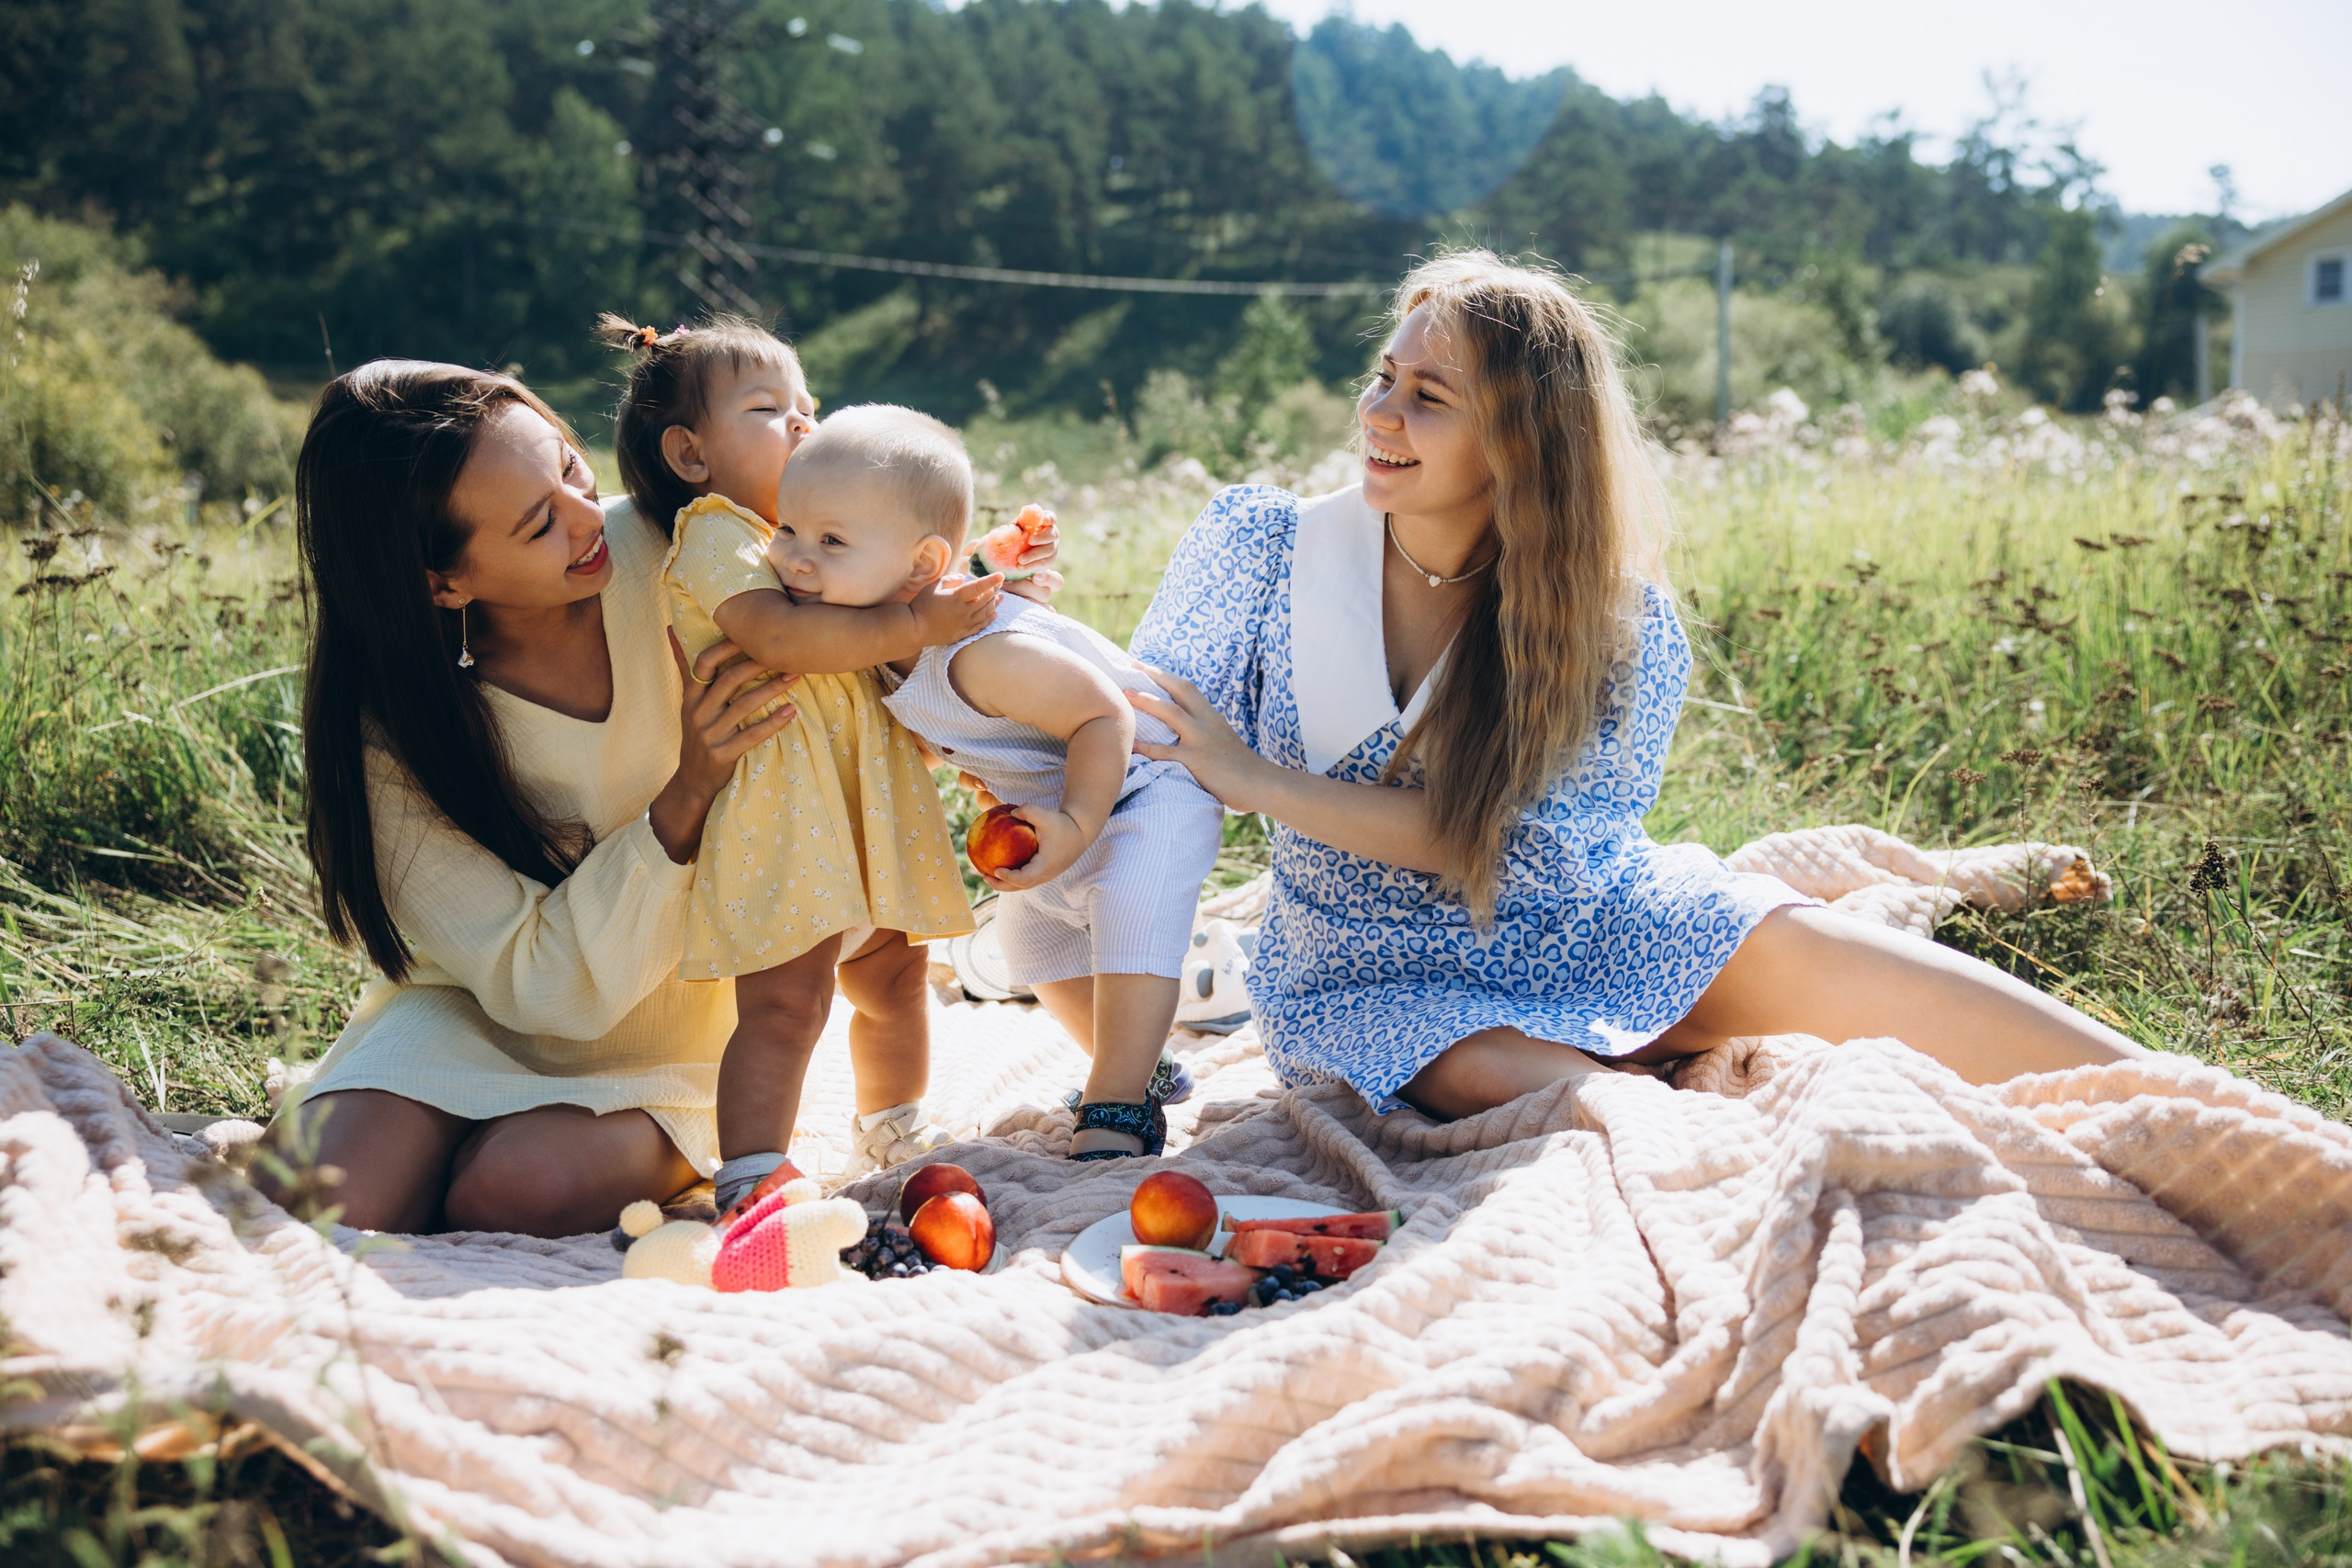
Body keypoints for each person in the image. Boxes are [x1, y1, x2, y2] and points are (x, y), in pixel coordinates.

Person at [1126, 251, 2150, 1121]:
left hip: (1588, 920)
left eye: (1426, 398)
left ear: (1519, 442)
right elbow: (1135, 723)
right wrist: (996, 653)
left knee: (1819, 949)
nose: (1380, 414)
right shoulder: (1261, 546)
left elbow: (1487, 845)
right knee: (1600, 1114)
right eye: (1383, 379)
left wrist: (1250, 777)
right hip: (1369, 978)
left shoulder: (1606, 618)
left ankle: (2198, 1102)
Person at [266, 356, 1056, 1235]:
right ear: (440, 583)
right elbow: (534, 986)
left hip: (690, 1008)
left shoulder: (685, 553)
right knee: (311, 1200)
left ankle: (626, 1139)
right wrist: (686, 794)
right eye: (538, 524)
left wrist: (989, 611)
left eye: (568, 465)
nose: (585, 517)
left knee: (509, 1192)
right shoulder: (393, 724)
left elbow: (868, 591)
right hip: (488, 1009)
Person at [601, 318, 989, 1212]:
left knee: (895, 978)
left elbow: (898, 608)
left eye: (810, 405)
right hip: (781, 814)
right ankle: (751, 1174)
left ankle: (893, 1121)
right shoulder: (717, 534)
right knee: (785, 1004)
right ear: (692, 457)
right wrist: (915, 624)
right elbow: (780, 635)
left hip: (864, 804)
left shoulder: (815, 537)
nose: (806, 424)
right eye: (772, 409)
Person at [854, 414, 1227, 1160]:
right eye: (789, 533)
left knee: (1129, 907)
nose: (794, 558)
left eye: (828, 543)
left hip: (1149, 781)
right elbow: (943, 733)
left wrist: (1079, 824)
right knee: (1030, 936)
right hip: (1067, 804)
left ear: (920, 564)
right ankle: (1137, 1065)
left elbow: (1103, 712)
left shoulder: (979, 654)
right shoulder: (876, 647)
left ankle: (1119, 1103)